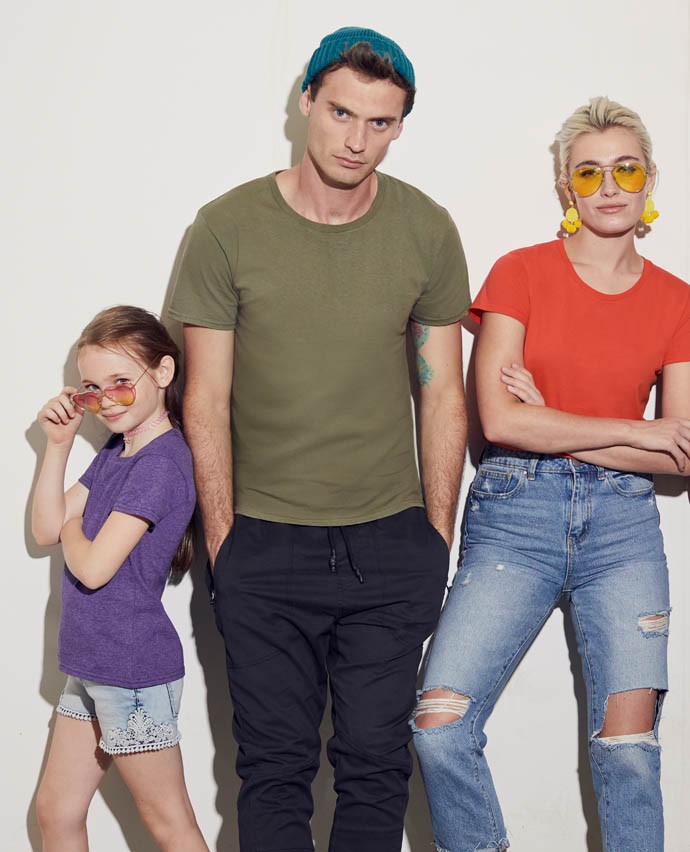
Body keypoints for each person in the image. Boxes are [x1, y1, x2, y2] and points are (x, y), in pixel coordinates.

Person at [168, 25, 470, 852]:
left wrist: (434, 535)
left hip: (390, 543)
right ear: (306, 101)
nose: (356, 139)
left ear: (400, 125)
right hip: (264, 541)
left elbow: (442, 392)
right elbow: (204, 401)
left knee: (376, 767)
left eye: (380, 122)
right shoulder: (227, 228)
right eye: (341, 112)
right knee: (273, 770)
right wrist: (224, 543)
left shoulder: (426, 230)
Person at [412, 96, 690, 852]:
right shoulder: (521, 272)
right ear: (566, 186)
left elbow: (680, 455)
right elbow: (501, 423)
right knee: (439, 726)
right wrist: (633, 429)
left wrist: (557, 423)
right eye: (589, 172)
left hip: (625, 531)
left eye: (625, 168)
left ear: (650, 178)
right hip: (515, 514)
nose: (609, 185)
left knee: (629, 751)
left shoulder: (676, 301)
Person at [31, 306, 208, 851]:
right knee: (56, 813)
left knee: (169, 824)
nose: (105, 400)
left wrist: (74, 526)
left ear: (163, 371)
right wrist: (58, 445)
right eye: (91, 389)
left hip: (130, 671)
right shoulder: (118, 451)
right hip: (91, 663)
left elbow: (91, 567)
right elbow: (45, 528)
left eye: (120, 383)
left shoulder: (160, 463)